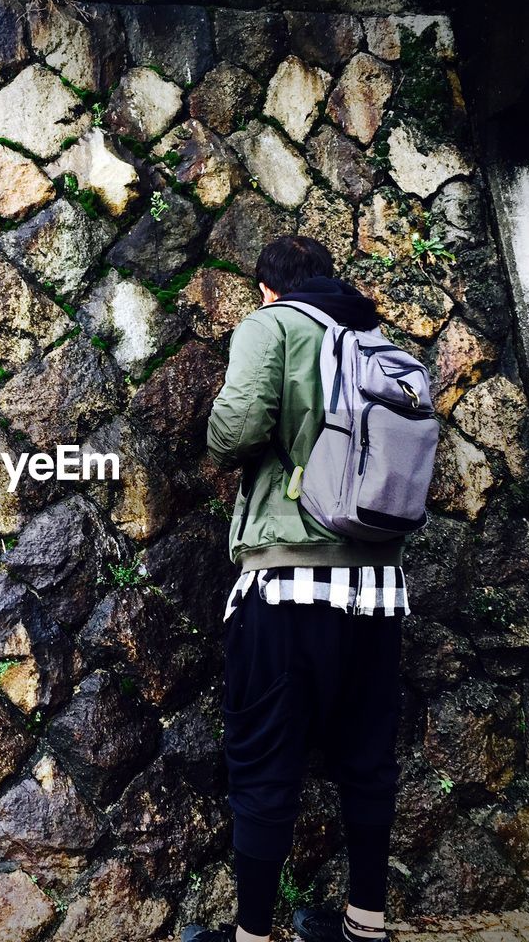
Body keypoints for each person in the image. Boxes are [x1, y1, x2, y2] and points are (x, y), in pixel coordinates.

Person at [183, 235, 411, 942]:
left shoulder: (271, 324)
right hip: (379, 590)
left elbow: (237, 427)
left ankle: (253, 935)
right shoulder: (375, 338)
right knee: (368, 758)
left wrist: (215, 441)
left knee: (265, 755)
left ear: (265, 288)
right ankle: (364, 924)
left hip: (289, 583)